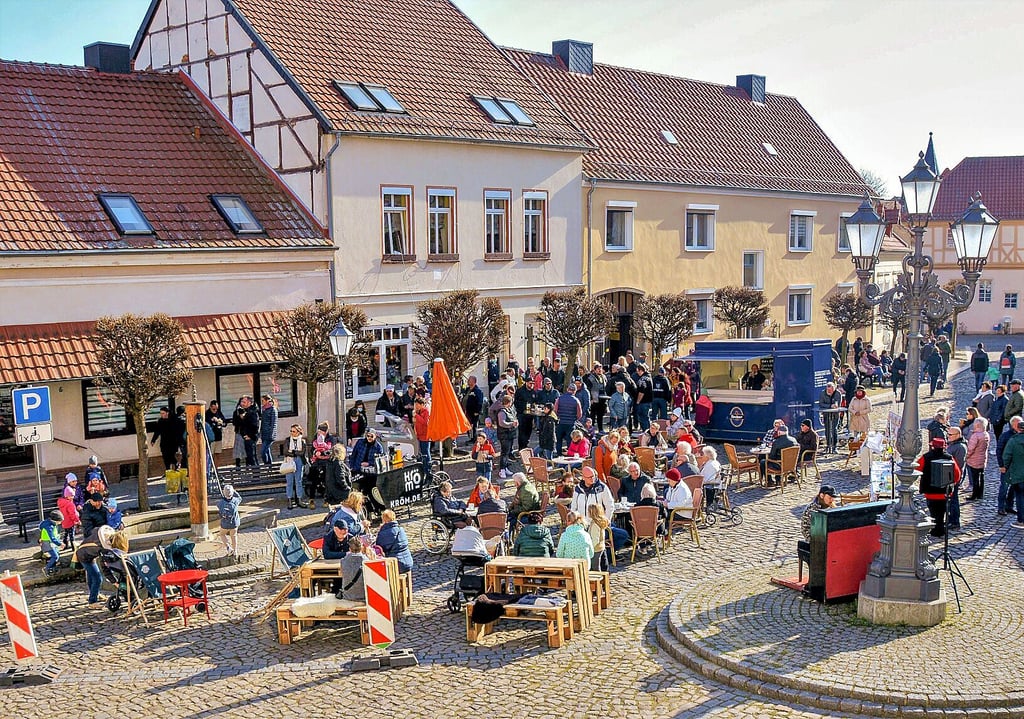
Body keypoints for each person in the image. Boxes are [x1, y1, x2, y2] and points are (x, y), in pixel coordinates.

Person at [918, 437, 960, 537]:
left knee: (933, 512)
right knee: (942, 512)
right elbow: (957, 474)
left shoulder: (926, 457)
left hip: (930, 492)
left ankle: (935, 529)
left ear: (932, 446)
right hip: (944, 492)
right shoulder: (949, 457)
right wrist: (952, 483)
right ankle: (940, 529)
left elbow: (917, 468)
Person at [74, 527, 108, 607]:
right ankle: (92, 601)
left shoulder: (99, 537)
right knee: (97, 578)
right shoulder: (101, 545)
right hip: (85, 557)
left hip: (86, 554)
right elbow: (104, 561)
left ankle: (95, 594)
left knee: (91, 576)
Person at [997, 416, 1022, 517]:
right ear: (1013, 425)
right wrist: (1001, 465)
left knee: (1014, 488)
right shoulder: (1006, 436)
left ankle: (1009, 506)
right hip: (1007, 466)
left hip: (1017, 467)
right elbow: (999, 450)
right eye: (1018, 423)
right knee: (1004, 487)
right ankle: (1001, 507)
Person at [376, 509, 413, 574]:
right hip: (408, 562)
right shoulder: (400, 529)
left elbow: (379, 547)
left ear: (384, 520)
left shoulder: (383, 533)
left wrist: (381, 530)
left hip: (396, 564)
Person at [337, 537, 372, 603]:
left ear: (349, 549)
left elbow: (342, 574)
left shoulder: (343, 561)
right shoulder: (366, 561)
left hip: (348, 596)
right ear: (361, 547)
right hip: (364, 596)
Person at [945, 426, 967, 531]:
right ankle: (950, 519)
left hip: (953, 477)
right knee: (950, 500)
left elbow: (958, 464)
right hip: (949, 476)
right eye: (948, 434)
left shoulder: (960, 447)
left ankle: (955, 521)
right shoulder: (953, 444)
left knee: (953, 500)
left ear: (958, 435)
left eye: (950, 435)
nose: (948, 436)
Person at [282, 424, 307, 510]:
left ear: (298, 432)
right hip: (289, 461)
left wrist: (293, 452)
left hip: (299, 461)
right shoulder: (287, 440)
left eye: (294, 431)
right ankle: (289, 499)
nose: (292, 433)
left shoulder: (302, 441)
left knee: (298, 481)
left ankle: (299, 499)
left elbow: (302, 452)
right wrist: (295, 453)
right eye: (291, 431)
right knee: (289, 481)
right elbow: (285, 452)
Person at [965, 417, 990, 501]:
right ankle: (980, 494)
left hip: (974, 460)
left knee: (975, 478)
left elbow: (970, 449)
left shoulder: (975, 436)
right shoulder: (986, 434)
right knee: (981, 477)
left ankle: (974, 495)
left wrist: (966, 456)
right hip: (982, 459)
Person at [554, 383, 582, 455]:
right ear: (575, 391)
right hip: (571, 424)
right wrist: (574, 419)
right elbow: (579, 414)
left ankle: (559, 455)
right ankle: (569, 455)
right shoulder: (576, 400)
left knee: (559, 440)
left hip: (561, 422)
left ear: (567, 389)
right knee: (570, 441)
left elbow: (555, 411)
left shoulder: (559, 398)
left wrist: (559, 416)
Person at [151, 407, 182, 471]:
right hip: (164, 442)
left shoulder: (173, 420)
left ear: (167, 413)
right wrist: (153, 440)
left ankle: (176, 465)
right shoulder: (160, 421)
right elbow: (157, 431)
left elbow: (178, 431)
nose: (161, 415)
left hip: (172, 442)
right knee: (165, 457)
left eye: (163, 413)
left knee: (171, 456)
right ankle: (168, 470)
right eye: (161, 413)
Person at [496, 395, 519, 479]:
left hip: (510, 434)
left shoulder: (509, 410)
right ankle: (502, 469)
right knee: (504, 453)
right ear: (508, 402)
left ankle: (505, 468)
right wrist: (512, 424)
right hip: (504, 435)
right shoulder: (502, 412)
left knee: (508, 452)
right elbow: (502, 423)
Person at [818, 381, 843, 453]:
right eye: (828, 390)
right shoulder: (822, 393)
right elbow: (821, 404)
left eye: (831, 390)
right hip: (826, 414)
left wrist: (835, 406)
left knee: (834, 429)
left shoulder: (838, 393)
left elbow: (838, 404)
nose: (829, 392)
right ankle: (828, 445)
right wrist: (830, 406)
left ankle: (834, 446)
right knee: (827, 430)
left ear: (834, 389)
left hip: (835, 414)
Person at [235, 395, 260, 466]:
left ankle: (256, 472)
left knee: (252, 457)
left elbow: (255, 426)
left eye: (244, 402)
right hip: (247, 436)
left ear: (249, 403)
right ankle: (255, 471)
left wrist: (250, 436)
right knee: (250, 457)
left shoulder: (252, 412)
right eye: (242, 402)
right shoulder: (247, 411)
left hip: (250, 437)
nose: (242, 404)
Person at [217, 485, 241, 556]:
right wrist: (234, 491)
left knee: (222, 534)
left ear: (224, 492)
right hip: (234, 523)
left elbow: (219, 509)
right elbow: (240, 497)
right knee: (234, 536)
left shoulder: (220, 503)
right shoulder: (236, 501)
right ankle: (235, 551)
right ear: (232, 492)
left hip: (225, 524)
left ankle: (228, 547)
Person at [39, 510, 64, 575]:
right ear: (55, 520)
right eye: (59, 521)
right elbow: (52, 538)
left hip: (51, 543)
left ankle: (53, 567)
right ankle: (47, 568)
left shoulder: (48, 523)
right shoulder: (49, 527)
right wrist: (60, 544)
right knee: (55, 556)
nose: (60, 523)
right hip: (48, 543)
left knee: (56, 553)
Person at [586, 504, 610, 571]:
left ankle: (598, 576)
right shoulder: (599, 522)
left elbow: (595, 539)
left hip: (595, 548)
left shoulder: (595, 525)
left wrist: (590, 549)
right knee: (602, 564)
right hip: (601, 546)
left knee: (595, 567)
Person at [462, 376, 485, 441]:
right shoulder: (467, 390)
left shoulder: (477, 391)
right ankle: (470, 437)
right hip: (467, 411)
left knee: (473, 426)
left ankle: (474, 439)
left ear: (473, 381)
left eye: (469, 380)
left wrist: (477, 411)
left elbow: (480, 402)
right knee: (468, 425)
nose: (468, 381)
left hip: (474, 412)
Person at [413, 397, 431, 477]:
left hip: (425, 436)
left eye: (417, 405)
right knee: (421, 453)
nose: (416, 406)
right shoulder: (417, 412)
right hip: (419, 435)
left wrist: (416, 416)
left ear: (422, 405)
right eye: (415, 405)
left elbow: (425, 423)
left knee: (426, 453)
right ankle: (423, 469)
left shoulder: (426, 411)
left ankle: (428, 469)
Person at [57, 486, 79, 552]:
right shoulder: (70, 504)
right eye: (72, 495)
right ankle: (74, 547)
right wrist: (77, 520)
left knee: (66, 534)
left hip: (64, 521)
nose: (73, 497)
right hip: (70, 522)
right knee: (72, 535)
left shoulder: (61, 502)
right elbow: (72, 514)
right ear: (68, 496)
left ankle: (65, 545)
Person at [259, 395, 278, 465]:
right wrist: (260, 432)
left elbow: (274, 423)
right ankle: (270, 466)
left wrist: (271, 435)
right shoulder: (264, 409)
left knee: (263, 452)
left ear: (267, 401)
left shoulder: (273, 410)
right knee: (267, 451)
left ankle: (266, 464)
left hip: (269, 435)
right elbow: (263, 423)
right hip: (264, 434)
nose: (262, 402)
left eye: (263, 400)